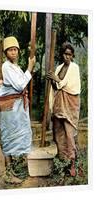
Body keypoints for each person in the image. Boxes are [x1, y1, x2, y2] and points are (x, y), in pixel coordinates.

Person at [0, 36, 36, 184]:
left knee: (20, 135)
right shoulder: (6, 66)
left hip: (17, 108)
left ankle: (17, 168)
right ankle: (8, 174)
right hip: (10, 109)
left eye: (15, 50)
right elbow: (19, 85)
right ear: (6, 53)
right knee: (9, 138)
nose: (13, 52)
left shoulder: (15, 67)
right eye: (10, 50)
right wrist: (30, 69)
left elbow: (2, 84)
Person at [46, 43, 81, 176]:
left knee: (69, 133)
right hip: (58, 104)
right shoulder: (59, 67)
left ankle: (72, 163)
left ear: (72, 56)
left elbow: (72, 87)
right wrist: (53, 80)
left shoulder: (74, 68)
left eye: (70, 54)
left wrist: (56, 80)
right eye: (65, 54)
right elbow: (55, 87)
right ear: (62, 54)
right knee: (58, 133)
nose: (67, 57)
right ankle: (62, 161)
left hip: (69, 105)